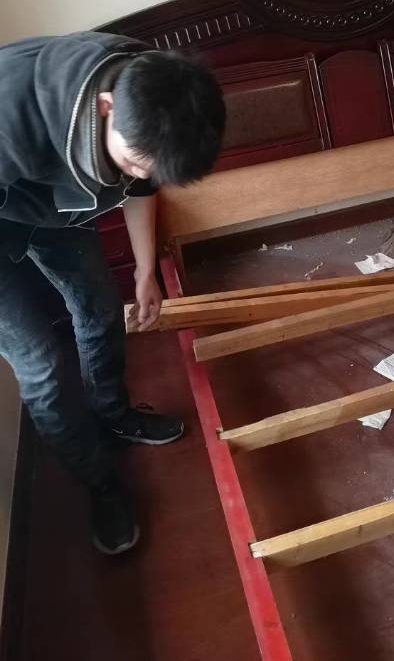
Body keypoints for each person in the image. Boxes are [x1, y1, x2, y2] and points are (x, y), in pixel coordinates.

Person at [0, 31, 226, 554]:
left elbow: (142, 184)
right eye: (131, 163)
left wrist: (146, 271)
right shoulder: (10, 116)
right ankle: (99, 482)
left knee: (101, 309)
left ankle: (114, 414)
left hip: (53, 203)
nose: (141, 174)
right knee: (41, 365)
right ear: (104, 108)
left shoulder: (151, 91)